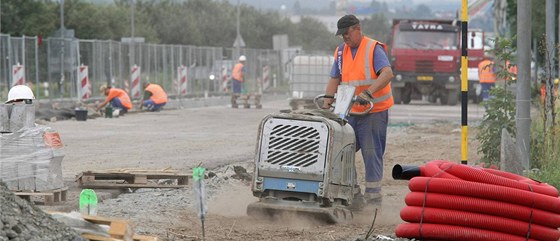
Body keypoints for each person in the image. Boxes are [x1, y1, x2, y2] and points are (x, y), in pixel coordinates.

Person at [322, 15, 394, 208]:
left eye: (347, 34)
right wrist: (327, 102)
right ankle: (352, 194)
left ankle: (373, 199)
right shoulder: (340, 52)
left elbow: (387, 74)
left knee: (371, 154)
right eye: (342, 36)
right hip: (349, 113)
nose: (344, 38)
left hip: (373, 112)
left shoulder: (373, 49)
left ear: (357, 29)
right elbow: (334, 78)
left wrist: (368, 94)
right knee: (342, 153)